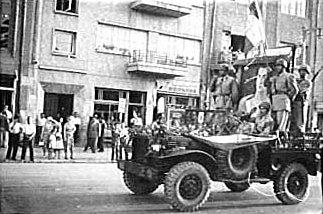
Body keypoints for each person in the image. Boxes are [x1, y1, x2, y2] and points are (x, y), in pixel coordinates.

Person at [270, 58, 298, 132]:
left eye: (279, 66)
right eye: (276, 66)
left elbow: (294, 90)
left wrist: (288, 98)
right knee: (275, 122)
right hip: (275, 100)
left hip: (283, 100)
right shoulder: (275, 77)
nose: (277, 68)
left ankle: (282, 138)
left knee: (281, 124)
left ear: (284, 66)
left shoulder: (288, 76)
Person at [291, 64, 312, 134]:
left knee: (301, 118)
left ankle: (300, 131)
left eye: (304, 71)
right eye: (301, 71)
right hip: (294, 100)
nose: (302, 73)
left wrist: (294, 86)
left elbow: (301, 90)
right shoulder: (296, 80)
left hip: (301, 101)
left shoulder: (307, 82)